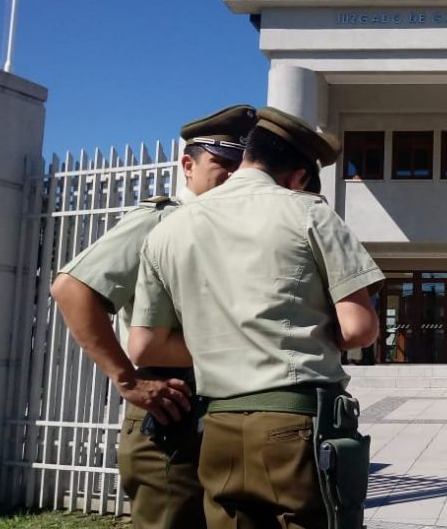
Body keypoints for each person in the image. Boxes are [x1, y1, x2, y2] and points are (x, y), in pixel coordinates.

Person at [129, 106, 384, 528]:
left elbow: (145, 345)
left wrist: (227, 343)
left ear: (247, 156)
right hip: (296, 423)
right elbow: (359, 329)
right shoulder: (310, 214)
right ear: (300, 176)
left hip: (217, 425)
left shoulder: (167, 229)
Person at [49, 104, 257, 529]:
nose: (234, 175)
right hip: (171, 412)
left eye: (243, 165)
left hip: (225, 410)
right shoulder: (161, 220)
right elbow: (72, 289)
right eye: (223, 163)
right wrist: (127, 380)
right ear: (188, 165)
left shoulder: (233, 227)